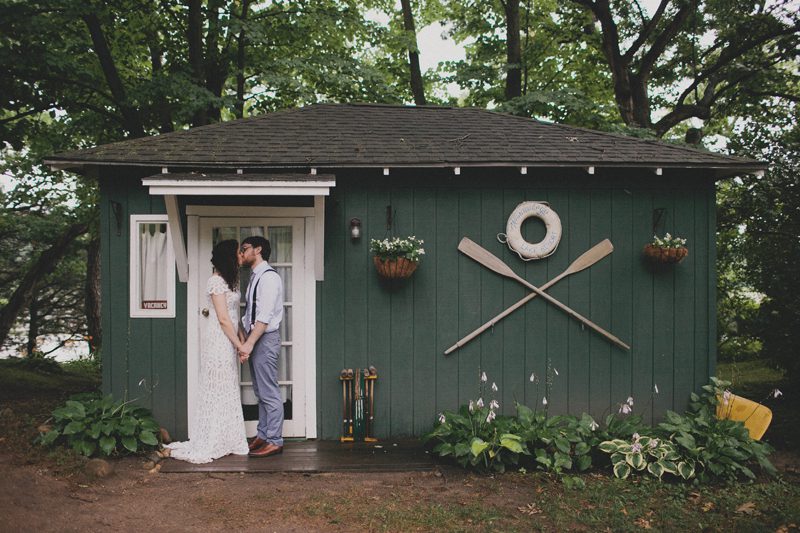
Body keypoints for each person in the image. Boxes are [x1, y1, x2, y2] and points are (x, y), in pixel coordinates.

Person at [166, 240, 249, 463]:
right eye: (238, 253)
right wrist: (240, 346)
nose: (242, 256)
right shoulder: (215, 282)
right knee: (218, 387)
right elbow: (222, 319)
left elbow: (233, 315)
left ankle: (227, 438)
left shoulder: (231, 282)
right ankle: (212, 439)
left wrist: (242, 338)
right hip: (219, 340)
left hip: (230, 339)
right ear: (229, 257)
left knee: (227, 387)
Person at [238, 235, 285, 458]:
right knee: (260, 391)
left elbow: (264, 317)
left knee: (269, 392)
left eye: (244, 248)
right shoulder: (255, 277)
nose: (241, 253)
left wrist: (248, 343)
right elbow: (250, 313)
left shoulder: (269, 278)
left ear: (257, 250)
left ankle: (275, 440)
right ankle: (264, 434)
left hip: (264, 339)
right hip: (256, 338)